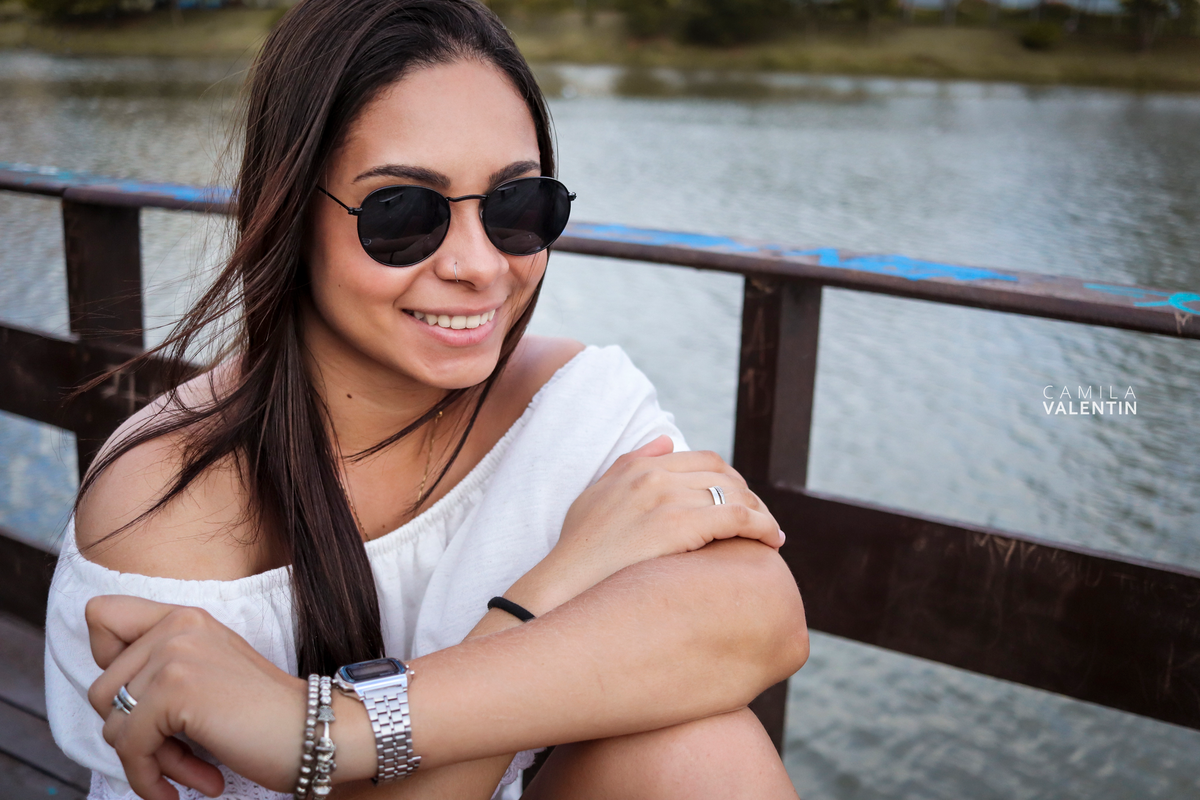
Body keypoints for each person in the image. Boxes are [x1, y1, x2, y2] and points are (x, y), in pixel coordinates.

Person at [44, 1, 809, 799]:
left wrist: (329, 730)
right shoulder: (172, 498)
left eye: (517, 205)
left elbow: (760, 620)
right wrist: (543, 595)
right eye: (403, 214)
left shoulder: (572, 406)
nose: (479, 265)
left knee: (699, 747)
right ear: (288, 211)